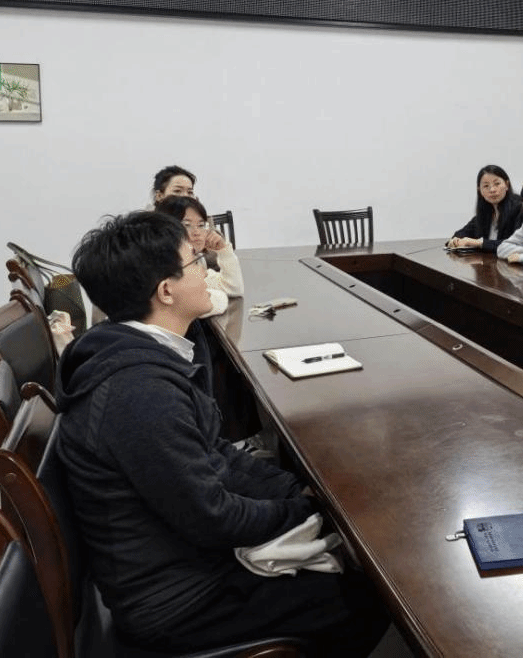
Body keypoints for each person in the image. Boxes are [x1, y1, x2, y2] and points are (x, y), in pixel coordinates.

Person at [56, 211, 388, 655]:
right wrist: (302, 511)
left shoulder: (139, 355)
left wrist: (296, 492)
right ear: (166, 290)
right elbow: (213, 517)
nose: (206, 270)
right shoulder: (138, 391)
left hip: (183, 560)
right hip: (178, 600)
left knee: (343, 548)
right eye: (195, 262)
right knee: (368, 596)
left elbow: (216, 454)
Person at [155, 194, 243, 316]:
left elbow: (234, 288)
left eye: (201, 225)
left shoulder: (196, 258)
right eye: (186, 225)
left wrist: (223, 251)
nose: (197, 232)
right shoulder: (166, 266)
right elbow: (196, 305)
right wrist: (219, 296)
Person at [447, 164, 523, 252]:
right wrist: (456, 240)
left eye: (497, 184)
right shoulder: (485, 211)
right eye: (486, 186)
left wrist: (479, 243)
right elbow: (462, 233)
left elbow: (515, 244)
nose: (492, 190)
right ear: (479, 190)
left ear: (507, 185)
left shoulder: (520, 209)